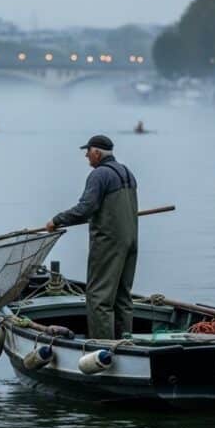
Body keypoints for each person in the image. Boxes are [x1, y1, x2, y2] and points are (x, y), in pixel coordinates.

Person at [45, 135, 138, 340]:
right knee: (123, 296)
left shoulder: (99, 175)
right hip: (130, 241)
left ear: (97, 152)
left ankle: (101, 347)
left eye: (88, 151)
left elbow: (85, 209)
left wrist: (57, 220)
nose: (86, 155)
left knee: (99, 297)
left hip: (109, 243)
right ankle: (126, 341)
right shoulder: (126, 172)